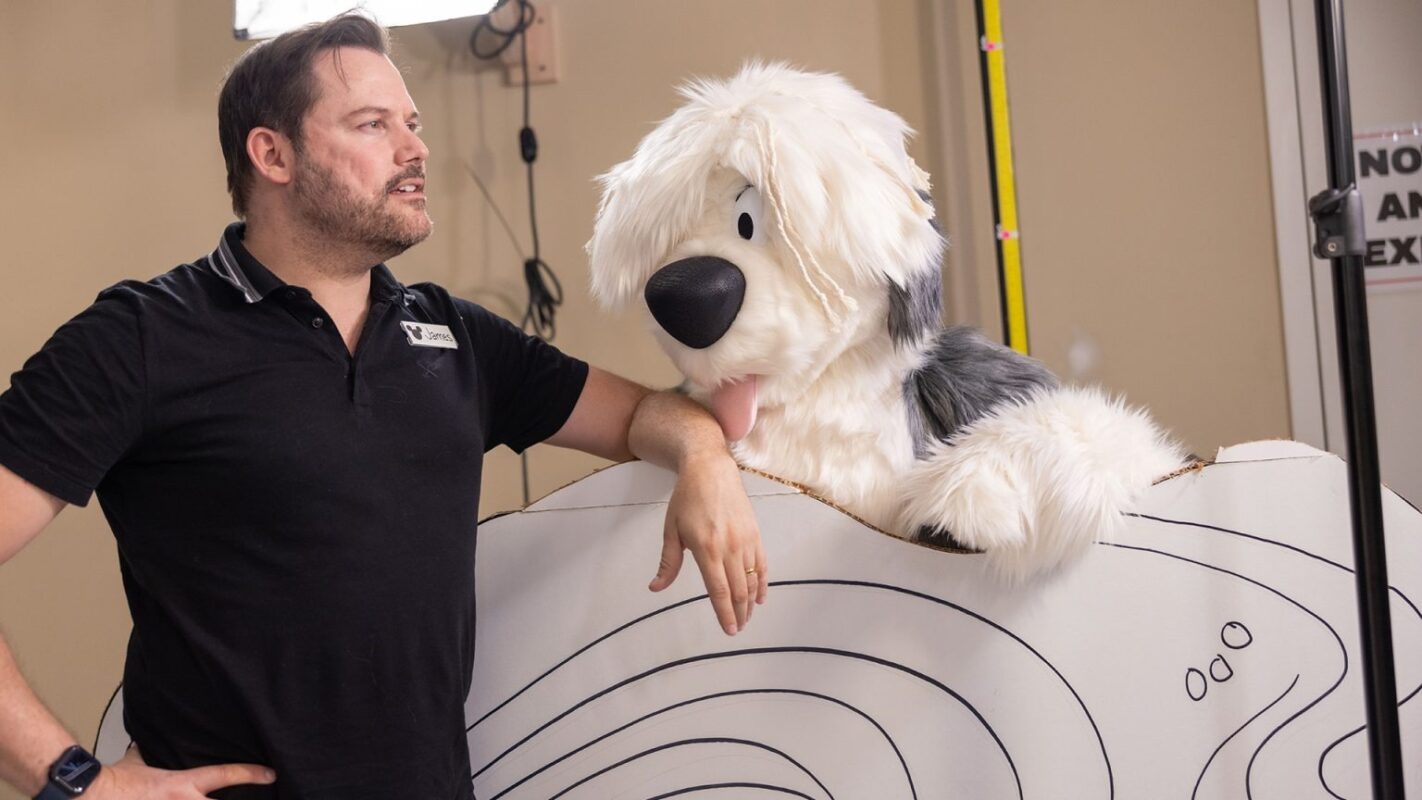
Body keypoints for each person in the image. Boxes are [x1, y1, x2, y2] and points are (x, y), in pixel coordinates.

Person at [0, 13, 765, 800]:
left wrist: (704, 456)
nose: (416, 149)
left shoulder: (455, 335)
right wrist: (77, 785)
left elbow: (644, 415)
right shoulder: (142, 336)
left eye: (413, 123)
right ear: (273, 154)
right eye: (372, 125)